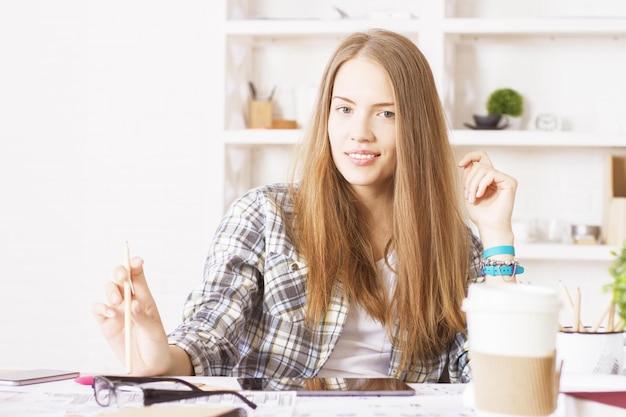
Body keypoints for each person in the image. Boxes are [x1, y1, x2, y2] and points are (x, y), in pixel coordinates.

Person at [93, 28, 519, 383]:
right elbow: (209, 340)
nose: (359, 133)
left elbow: (494, 377)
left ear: (417, 126)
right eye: (345, 109)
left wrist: (497, 234)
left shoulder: (454, 244)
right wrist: (156, 357)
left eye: (386, 114)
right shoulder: (263, 216)